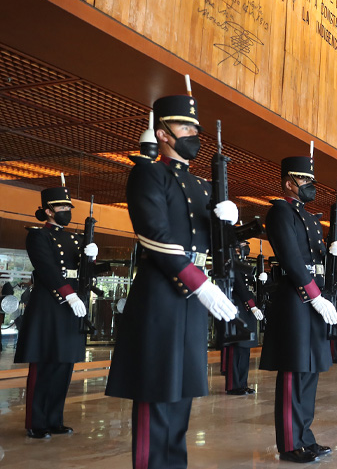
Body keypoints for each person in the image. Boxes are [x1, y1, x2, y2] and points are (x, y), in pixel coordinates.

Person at [105, 93, 240, 468]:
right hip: (161, 298)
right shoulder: (148, 172)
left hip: (192, 302)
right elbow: (154, 235)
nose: (194, 133)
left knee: (182, 399)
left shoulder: (201, 186)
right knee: (156, 398)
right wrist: (199, 282)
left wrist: (231, 223)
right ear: (162, 132)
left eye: (196, 128)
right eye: (185, 126)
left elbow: (215, 243)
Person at [259, 156, 337, 462]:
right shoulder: (280, 212)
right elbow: (292, 260)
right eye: (304, 181)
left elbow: (318, 261)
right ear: (289, 182)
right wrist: (314, 295)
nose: (310, 187)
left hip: (314, 298)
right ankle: (290, 444)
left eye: (311, 181)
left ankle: (305, 437)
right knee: (295, 372)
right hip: (295, 300)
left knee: (310, 373)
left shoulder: (309, 218)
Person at [14, 186, 98, 439]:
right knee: (44, 364)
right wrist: (68, 295)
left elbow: (84, 273)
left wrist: (91, 258)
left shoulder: (75, 238)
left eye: (68, 208)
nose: (67, 212)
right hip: (50, 304)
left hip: (73, 306)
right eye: (62, 208)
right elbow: (47, 269)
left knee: (64, 364)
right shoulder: (38, 236)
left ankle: (54, 418)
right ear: (48, 211)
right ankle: (36, 422)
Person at [222, 251, 264, 396]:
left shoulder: (243, 263)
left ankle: (242, 383)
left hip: (247, 308)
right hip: (238, 306)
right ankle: (234, 385)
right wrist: (252, 305)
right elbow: (240, 285)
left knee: (245, 348)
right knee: (237, 347)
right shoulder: (230, 260)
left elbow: (249, 284)